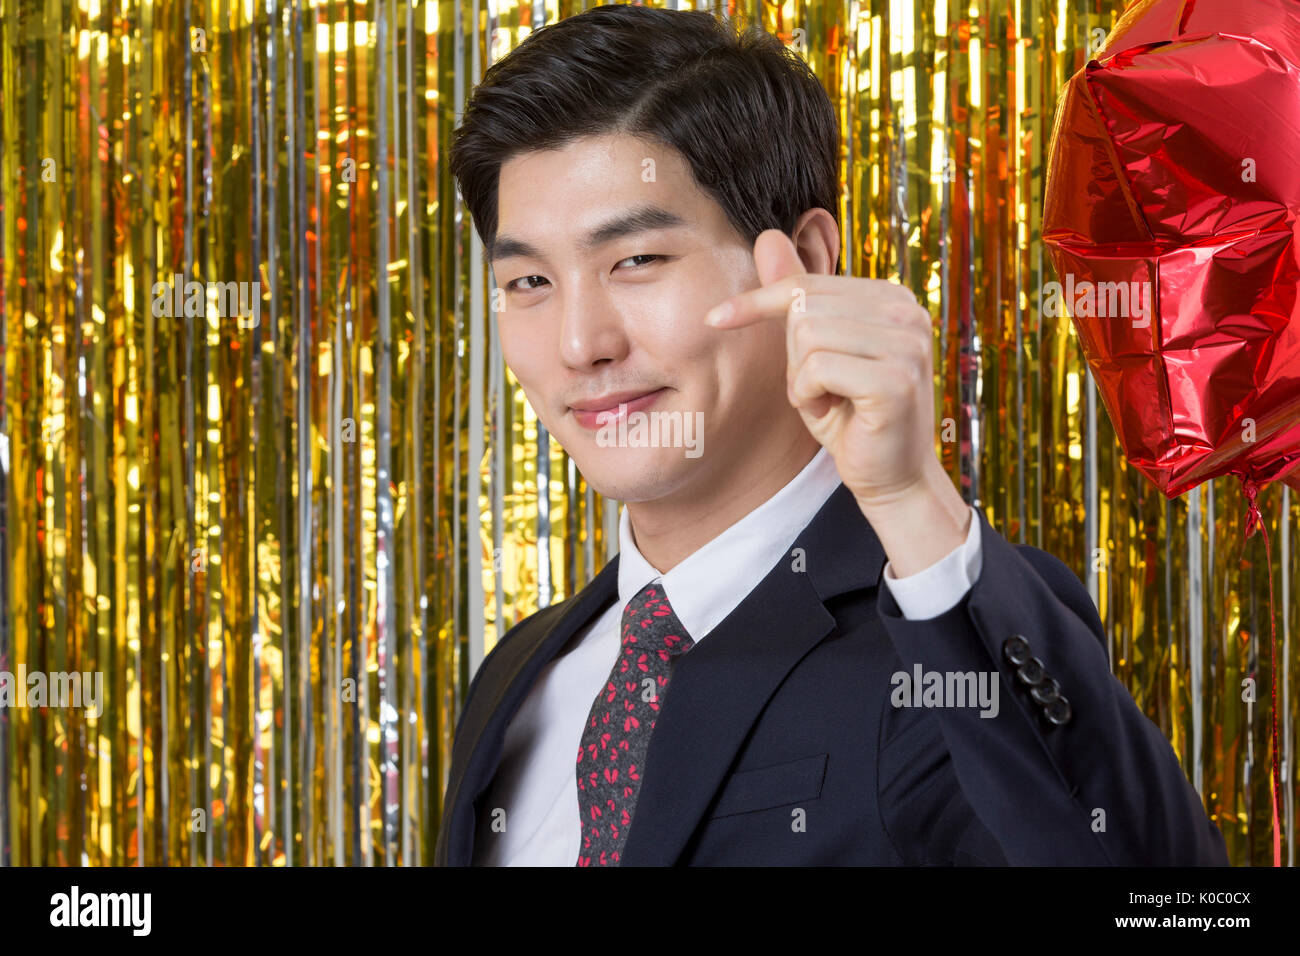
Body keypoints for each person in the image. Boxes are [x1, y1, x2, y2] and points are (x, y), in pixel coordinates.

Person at [434, 3, 1229, 866]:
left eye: (637, 262)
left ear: (808, 262)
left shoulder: (943, 635)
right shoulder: (520, 677)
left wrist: (911, 503)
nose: (582, 344)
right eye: (527, 281)